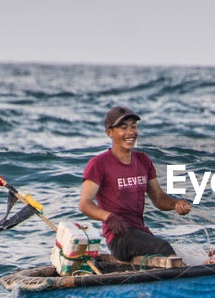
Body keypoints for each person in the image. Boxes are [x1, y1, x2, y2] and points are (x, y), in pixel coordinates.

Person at [79, 105, 193, 265]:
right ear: (109, 133)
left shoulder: (143, 160)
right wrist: (109, 217)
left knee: (168, 250)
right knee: (163, 248)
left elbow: (159, 199)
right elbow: (84, 204)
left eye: (133, 126)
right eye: (123, 128)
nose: (130, 132)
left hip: (140, 232)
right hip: (119, 238)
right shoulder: (98, 164)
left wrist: (176, 204)